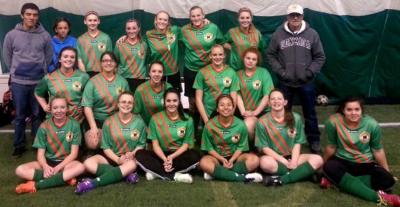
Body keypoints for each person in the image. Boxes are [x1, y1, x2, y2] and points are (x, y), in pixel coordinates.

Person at [266, 4, 325, 153]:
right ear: (287, 17)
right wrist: (280, 71)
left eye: (298, 15)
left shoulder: (312, 34)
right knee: (284, 112)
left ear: (302, 16)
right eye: (292, 15)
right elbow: (270, 55)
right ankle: (284, 139)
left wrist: (310, 72)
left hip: (306, 82)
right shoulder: (278, 34)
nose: (295, 18)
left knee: (310, 113)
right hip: (285, 82)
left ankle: (314, 139)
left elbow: (320, 56)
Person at [322, 97, 400, 206]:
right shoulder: (333, 122)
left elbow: (377, 150)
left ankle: (337, 183)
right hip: (342, 161)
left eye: (357, 109)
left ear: (361, 110)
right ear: (343, 111)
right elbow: (331, 146)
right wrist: (323, 166)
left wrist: (387, 171)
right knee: (329, 167)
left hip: (365, 164)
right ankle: (378, 198)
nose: (353, 113)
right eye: (349, 110)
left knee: (387, 180)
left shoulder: (372, 124)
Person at [2, 3, 53, 156]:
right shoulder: (11, 35)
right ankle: (19, 145)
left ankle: (38, 144)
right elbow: (7, 56)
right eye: (29, 14)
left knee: (38, 115)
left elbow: (48, 56)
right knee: (19, 116)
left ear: (38, 16)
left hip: (38, 83)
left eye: (35, 15)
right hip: (19, 83)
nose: (32, 17)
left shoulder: (44, 35)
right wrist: (16, 70)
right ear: (22, 15)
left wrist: (41, 70)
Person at [75, 92, 146, 194]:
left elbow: (141, 145)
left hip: (129, 159)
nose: (126, 104)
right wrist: (117, 160)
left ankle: (92, 183)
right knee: (88, 163)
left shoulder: (139, 122)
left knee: (131, 165)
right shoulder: (109, 121)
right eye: (123, 102)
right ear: (118, 104)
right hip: (112, 157)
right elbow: (106, 147)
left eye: (130, 102)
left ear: (133, 105)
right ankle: (124, 175)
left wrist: (132, 153)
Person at [14, 95, 84, 194]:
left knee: (80, 167)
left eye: (62, 107)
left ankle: (35, 185)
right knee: (20, 170)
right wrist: (46, 167)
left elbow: (73, 154)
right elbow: (40, 154)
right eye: (55, 108)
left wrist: (58, 168)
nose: (59, 111)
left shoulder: (74, 125)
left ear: (67, 109)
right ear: (50, 110)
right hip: (48, 162)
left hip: (66, 163)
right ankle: (64, 178)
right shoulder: (44, 126)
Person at [255, 89, 323, 186]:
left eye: (279, 98)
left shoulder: (296, 118)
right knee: (264, 163)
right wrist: (283, 161)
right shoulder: (262, 121)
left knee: (318, 159)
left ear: (285, 102)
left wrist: (294, 161)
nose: (276, 101)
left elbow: (297, 142)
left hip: (293, 157)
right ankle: (302, 174)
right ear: (269, 103)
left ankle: (282, 178)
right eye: (273, 99)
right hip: (274, 159)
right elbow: (264, 148)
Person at [135, 88, 200, 183]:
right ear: (164, 102)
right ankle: (175, 176)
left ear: (179, 102)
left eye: (174, 100)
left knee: (195, 155)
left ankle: (156, 172)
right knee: (140, 154)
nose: (171, 104)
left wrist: (171, 157)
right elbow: (155, 145)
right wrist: (165, 159)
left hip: (178, 156)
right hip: (160, 156)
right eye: (168, 101)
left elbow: (186, 145)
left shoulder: (188, 119)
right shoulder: (155, 118)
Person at [199, 95, 262, 182]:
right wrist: (222, 159)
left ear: (233, 108)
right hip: (217, 158)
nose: (225, 107)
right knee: (204, 162)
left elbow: (241, 147)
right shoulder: (209, 125)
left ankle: (218, 174)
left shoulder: (240, 125)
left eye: (229, 105)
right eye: (222, 105)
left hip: (236, 158)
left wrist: (232, 160)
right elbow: (209, 148)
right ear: (217, 109)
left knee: (254, 160)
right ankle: (242, 177)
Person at [180, 6, 224, 111]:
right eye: (193, 16)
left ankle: (206, 123)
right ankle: (194, 125)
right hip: (191, 70)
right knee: (193, 101)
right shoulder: (184, 30)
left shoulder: (213, 28)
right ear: (190, 18)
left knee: (207, 98)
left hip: (208, 70)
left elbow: (221, 43)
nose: (196, 18)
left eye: (198, 15)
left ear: (203, 16)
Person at [82, 52, 129, 150]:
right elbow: (87, 107)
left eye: (111, 61)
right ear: (101, 63)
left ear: (115, 63)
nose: (108, 63)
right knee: (93, 143)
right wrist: (93, 127)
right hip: (97, 120)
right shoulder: (92, 82)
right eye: (105, 61)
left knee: (120, 139)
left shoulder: (122, 82)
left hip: (115, 120)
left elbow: (127, 104)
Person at [35, 47, 90, 122]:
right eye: (65, 56)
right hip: (54, 120)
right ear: (59, 59)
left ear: (75, 60)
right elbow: (38, 93)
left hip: (77, 120)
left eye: (72, 57)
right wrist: (44, 106)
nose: (69, 59)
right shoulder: (49, 77)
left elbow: (89, 97)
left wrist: (83, 107)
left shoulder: (84, 77)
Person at [194, 44, 240, 124]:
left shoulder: (231, 72)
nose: (217, 57)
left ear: (224, 55)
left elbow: (234, 98)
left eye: (220, 54)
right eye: (214, 55)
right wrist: (206, 120)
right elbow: (198, 99)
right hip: (209, 115)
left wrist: (230, 115)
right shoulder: (202, 72)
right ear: (210, 56)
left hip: (226, 114)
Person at [236, 47, 274, 141]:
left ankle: (259, 149)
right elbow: (237, 95)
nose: (250, 61)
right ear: (243, 59)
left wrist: (255, 113)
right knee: (244, 126)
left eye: (254, 59)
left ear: (257, 61)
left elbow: (267, 96)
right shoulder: (237, 74)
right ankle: (249, 150)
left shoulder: (263, 72)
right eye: (248, 58)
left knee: (249, 125)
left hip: (261, 112)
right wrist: (243, 112)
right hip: (245, 112)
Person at [145, 11, 181, 91]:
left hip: (173, 73)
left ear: (168, 22)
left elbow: (190, 30)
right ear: (155, 20)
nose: (162, 22)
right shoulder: (149, 34)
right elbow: (137, 41)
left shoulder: (174, 31)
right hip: (157, 74)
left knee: (174, 100)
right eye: (160, 19)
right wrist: (124, 37)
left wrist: (205, 23)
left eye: (165, 20)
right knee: (158, 100)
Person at [114, 19, 147, 92]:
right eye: (128, 28)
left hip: (140, 79)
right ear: (125, 29)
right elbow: (115, 61)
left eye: (134, 28)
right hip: (123, 78)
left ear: (139, 29)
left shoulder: (144, 44)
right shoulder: (119, 43)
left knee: (137, 102)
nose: (131, 31)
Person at [77, 11, 112, 77]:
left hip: (103, 73)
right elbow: (79, 59)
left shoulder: (106, 38)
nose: (92, 23)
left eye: (95, 20)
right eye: (90, 20)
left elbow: (109, 59)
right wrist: (85, 75)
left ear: (98, 21)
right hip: (86, 73)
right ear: (85, 21)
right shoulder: (80, 39)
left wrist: (105, 73)